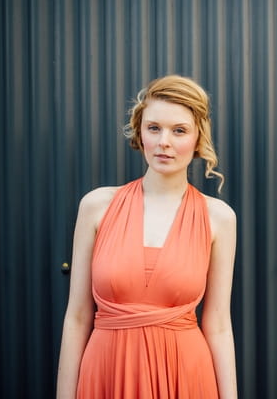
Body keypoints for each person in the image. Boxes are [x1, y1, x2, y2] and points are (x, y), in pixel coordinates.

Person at [56, 75, 237, 398]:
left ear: (198, 138)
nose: (164, 141)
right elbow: (78, 316)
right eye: (154, 128)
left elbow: (219, 324)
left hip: (185, 376)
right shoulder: (97, 206)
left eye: (179, 130)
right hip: (107, 374)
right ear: (140, 133)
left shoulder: (218, 218)